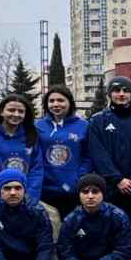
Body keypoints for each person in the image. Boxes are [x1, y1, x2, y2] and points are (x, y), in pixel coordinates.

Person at [87, 76, 131, 232]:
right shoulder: (97, 121)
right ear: (109, 94)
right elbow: (98, 154)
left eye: (126, 91)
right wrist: (117, 179)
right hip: (109, 189)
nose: (121, 94)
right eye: (117, 90)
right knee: (108, 231)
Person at [0, 93, 44, 204]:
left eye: (21, 111)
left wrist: (29, 196)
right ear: (1, 112)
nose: (16, 114)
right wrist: (4, 195)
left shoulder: (31, 134)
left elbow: (36, 169)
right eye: (11, 110)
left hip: (24, 200)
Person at [36, 84, 89, 219]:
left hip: (72, 190)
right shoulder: (38, 126)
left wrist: (78, 178)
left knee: (70, 228)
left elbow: (88, 156)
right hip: (45, 190)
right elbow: (34, 156)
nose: (56, 104)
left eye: (60, 100)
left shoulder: (83, 126)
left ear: (69, 102)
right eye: (51, 101)